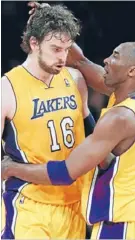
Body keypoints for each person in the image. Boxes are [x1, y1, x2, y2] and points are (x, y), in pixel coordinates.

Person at [3, 41, 135, 239]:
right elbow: (83, 63)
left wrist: (11, 169)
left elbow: (66, 172)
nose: (106, 60)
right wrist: (60, 32)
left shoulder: (121, 117)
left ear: (132, 71)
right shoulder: (126, 97)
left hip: (123, 224)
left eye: (115, 56)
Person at [1, 4, 99, 239]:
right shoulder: (7, 88)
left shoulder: (75, 80)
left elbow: (92, 135)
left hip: (73, 204)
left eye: (66, 49)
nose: (63, 58)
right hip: (30, 205)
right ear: (34, 43)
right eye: (55, 49)